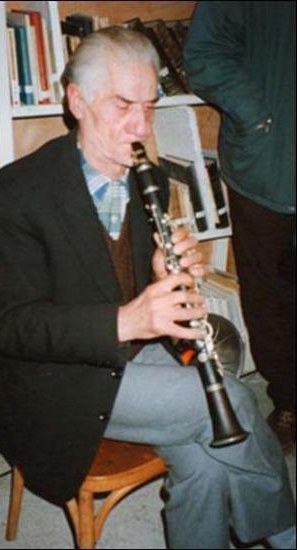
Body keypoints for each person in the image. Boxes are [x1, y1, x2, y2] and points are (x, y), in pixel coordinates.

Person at [0, 27, 295, 549]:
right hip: (58, 383)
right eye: (123, 105)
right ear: (76, 101)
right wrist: (130, 319)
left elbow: (124, 283)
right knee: (236, 402)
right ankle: (286, 532)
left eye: (149, 107)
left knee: (207, 460)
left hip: (132, 357)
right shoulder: (15, 194)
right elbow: (16, 327)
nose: (140, 126)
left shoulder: (143, 179)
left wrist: (160, 275)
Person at [183, 1, 296, 453]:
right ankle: (289, 400)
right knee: (271, 294)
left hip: (266, 149)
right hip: (267, 162)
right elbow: (204, 52)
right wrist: (257, 115)